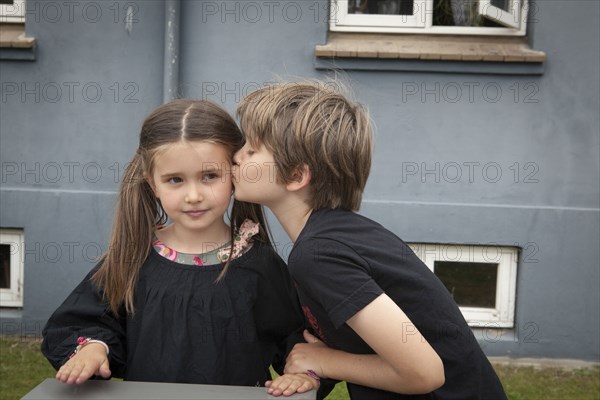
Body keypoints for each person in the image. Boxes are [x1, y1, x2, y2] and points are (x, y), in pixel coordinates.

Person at [232, 81, 508, 399]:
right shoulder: (335, 238)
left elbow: (425, 373)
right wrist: (314, 366)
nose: (236, 157)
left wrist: (327, 361)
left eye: (251, 150)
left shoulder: (320, 255)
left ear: (296, 175)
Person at [41, 99, 318, 395]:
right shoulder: (133, 258)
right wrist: (94, 349)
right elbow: (80, 322)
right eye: (175, 180)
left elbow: (296, 337)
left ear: (234, 175)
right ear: (152, 183)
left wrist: (305, 372)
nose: (194, 195)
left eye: (209, 176)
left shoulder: (259, 264)